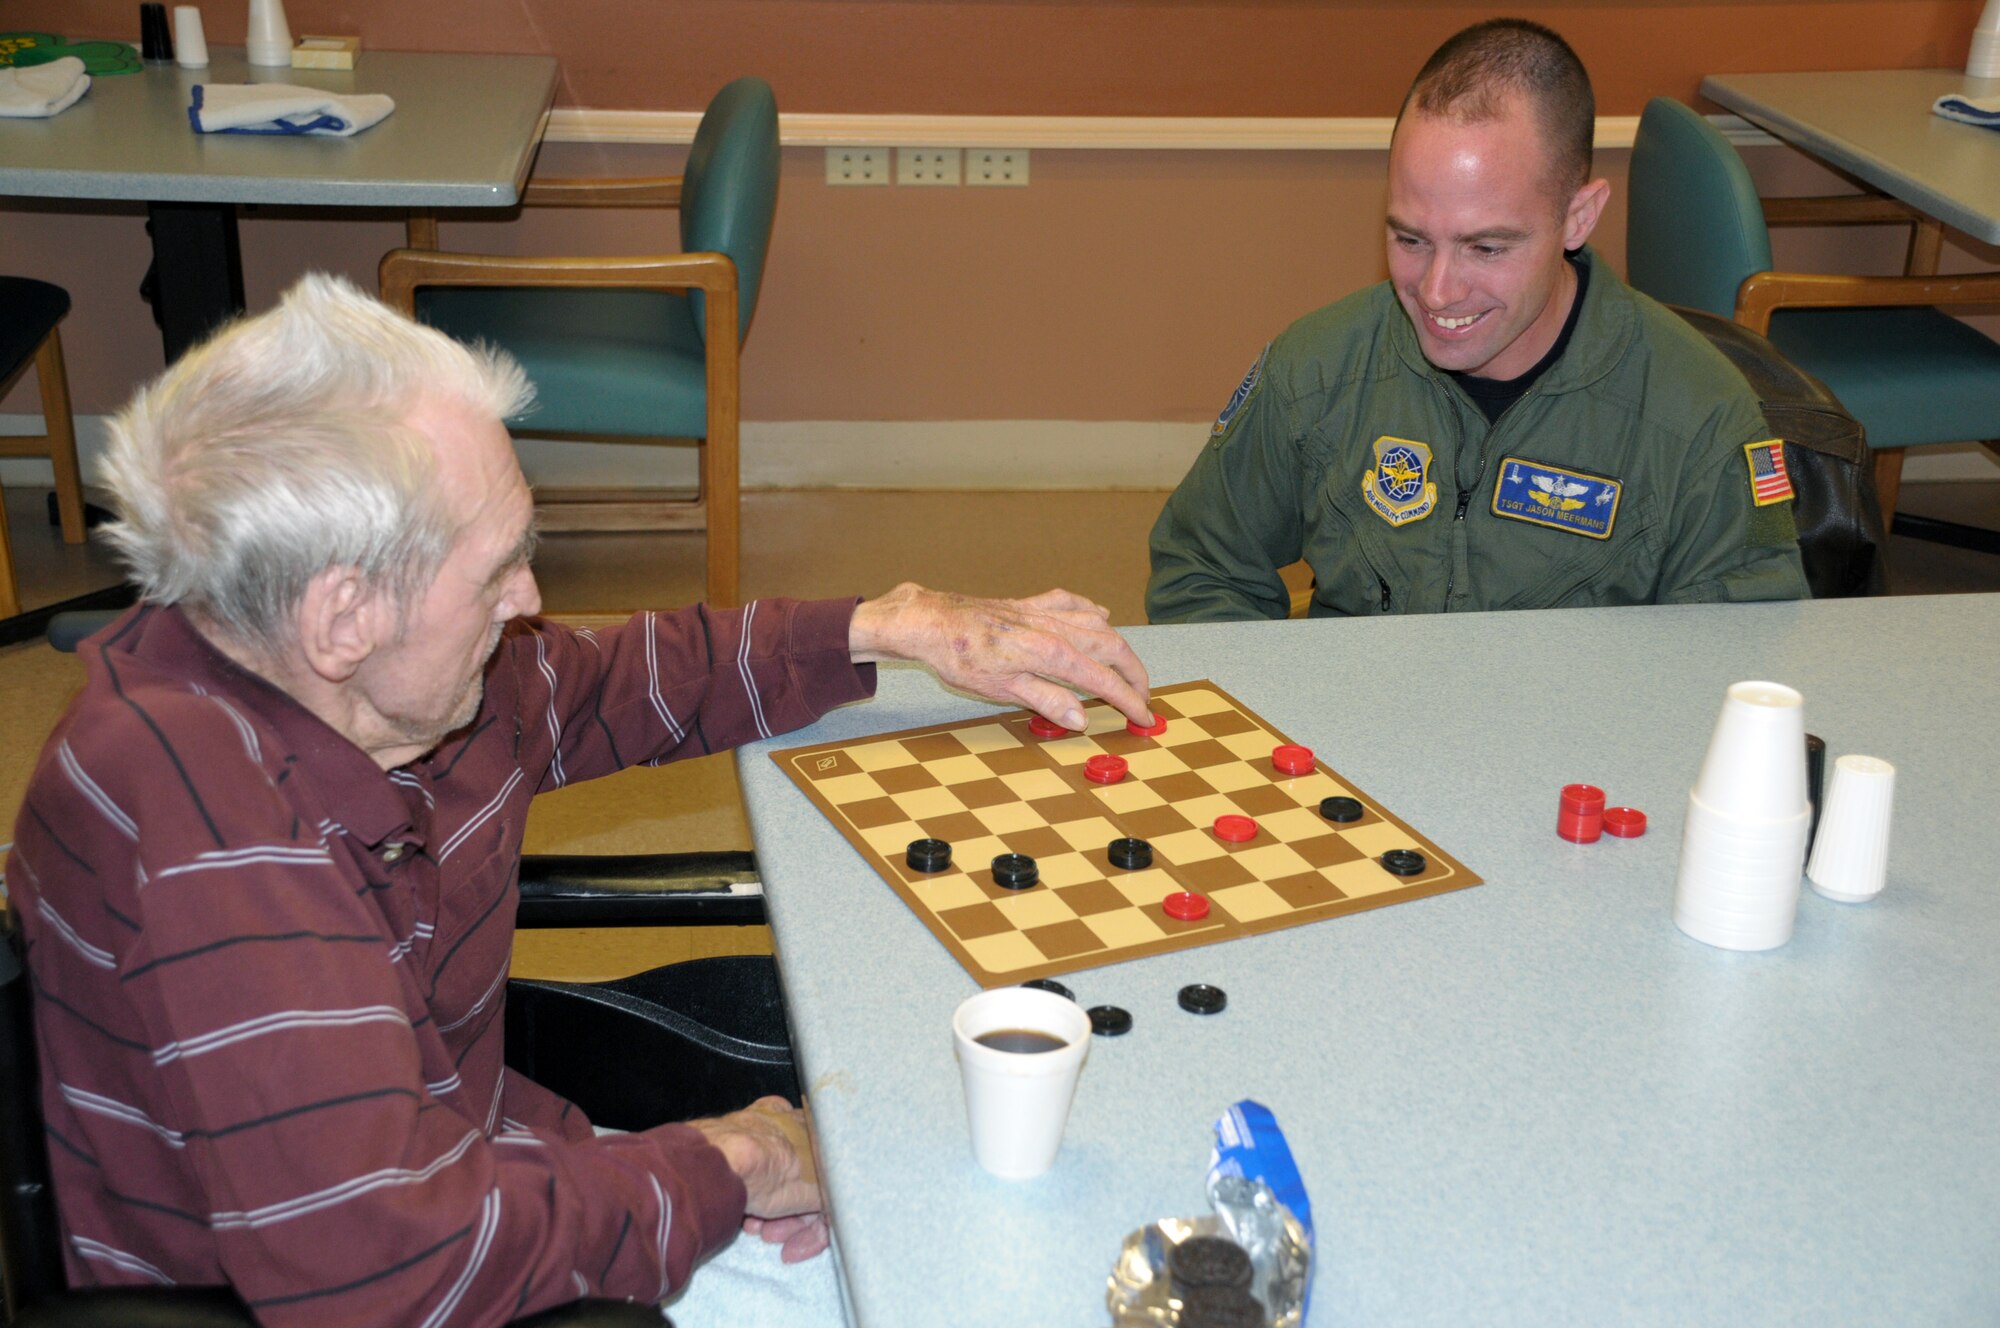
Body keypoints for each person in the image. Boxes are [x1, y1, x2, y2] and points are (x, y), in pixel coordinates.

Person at [7, 273, 1152, 1324]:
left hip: (486, 1159)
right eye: (498, 564)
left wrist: (890, 623)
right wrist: (731, 1164)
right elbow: (400, 1271)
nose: (531, 596)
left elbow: (613, 682)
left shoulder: (378, 681)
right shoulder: (203, 840)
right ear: (341, 614)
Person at [1146, 19, 1809, 622]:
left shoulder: (1700, 418)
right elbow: (1202, 568)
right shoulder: (1316, 369)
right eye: (1410, 240)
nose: (1436, 292)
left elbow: (1739, 671)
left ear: (1578, 217)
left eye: (1485, 248)